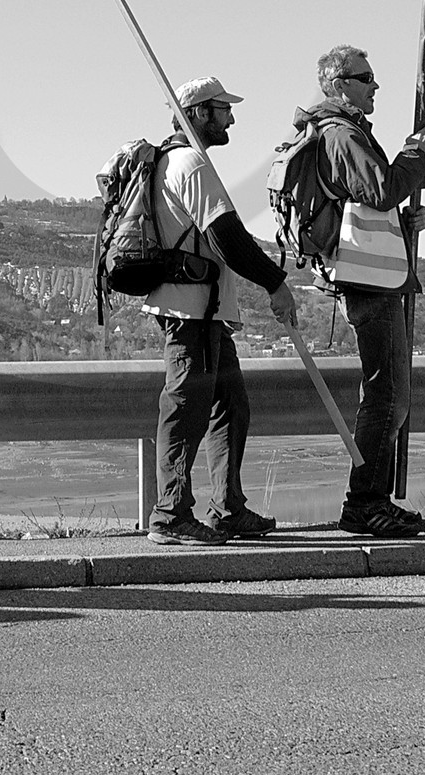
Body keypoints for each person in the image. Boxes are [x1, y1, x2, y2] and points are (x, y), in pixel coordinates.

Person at [145, 76, 300, 547]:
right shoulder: (190, 163)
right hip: (190, 312)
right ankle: (170, 515)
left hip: (205, 311)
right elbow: (228, 238)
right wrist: (275, 283)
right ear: (198, 113)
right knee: (187, 409)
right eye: (222, 108)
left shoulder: (177, 161)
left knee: (230, 406)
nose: (231, 118)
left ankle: (227, 509)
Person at [294, 45, 425, 538]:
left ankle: (372, 501)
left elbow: (371, 202)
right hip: (370, 283)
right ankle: (365, 504)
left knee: (386, 394)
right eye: (366, 77)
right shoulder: (342, 134)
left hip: (369, 277)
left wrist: (403, 221)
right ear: (340, 84)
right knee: (387, 396)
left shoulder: (340, 132)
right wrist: (414, 154)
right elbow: (381, 190)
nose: (375, 85)